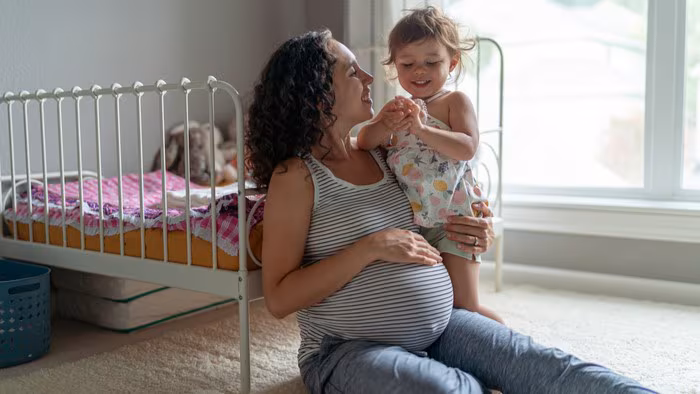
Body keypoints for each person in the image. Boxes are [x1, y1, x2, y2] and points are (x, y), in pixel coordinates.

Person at [246, 29, 654, 394]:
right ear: (318, 92)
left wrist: (471, 225)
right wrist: (368, 248)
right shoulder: (296, 176)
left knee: (545, 366)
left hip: (443, 326)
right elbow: (279, 299)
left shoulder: (385, 153)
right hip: (345, 351)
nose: (370, 78)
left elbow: (434, 209)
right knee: (442, 390)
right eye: (353, 72)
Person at [357, 6, 503, 323]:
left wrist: (422, 129)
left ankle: (505, 342)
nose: (419, 71)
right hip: (412, 224)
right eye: (408, 63)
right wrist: (385, 124)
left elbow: (467, 147)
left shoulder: (454, 102)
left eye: (431, 62)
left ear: (451, 63)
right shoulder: (395, 109)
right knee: (428, 306)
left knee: (465, 306)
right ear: (394, 67)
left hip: (456, 217)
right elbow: (364, 142)